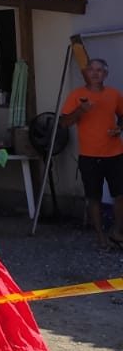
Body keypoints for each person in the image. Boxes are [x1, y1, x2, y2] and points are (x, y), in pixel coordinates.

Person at [60, 58, 123, 249]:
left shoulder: (114, 94)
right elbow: (64, 123)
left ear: (105, 74)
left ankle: (117, 232)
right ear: (86, 73)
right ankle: (100, 236)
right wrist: (81, 110)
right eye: (91, 70)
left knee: (120, 195)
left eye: (99, 70)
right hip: (89, 155)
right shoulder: (76, 95)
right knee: (93, 197)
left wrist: (119, 128)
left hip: (115, 153)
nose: (95, 73)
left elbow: (122, 116)